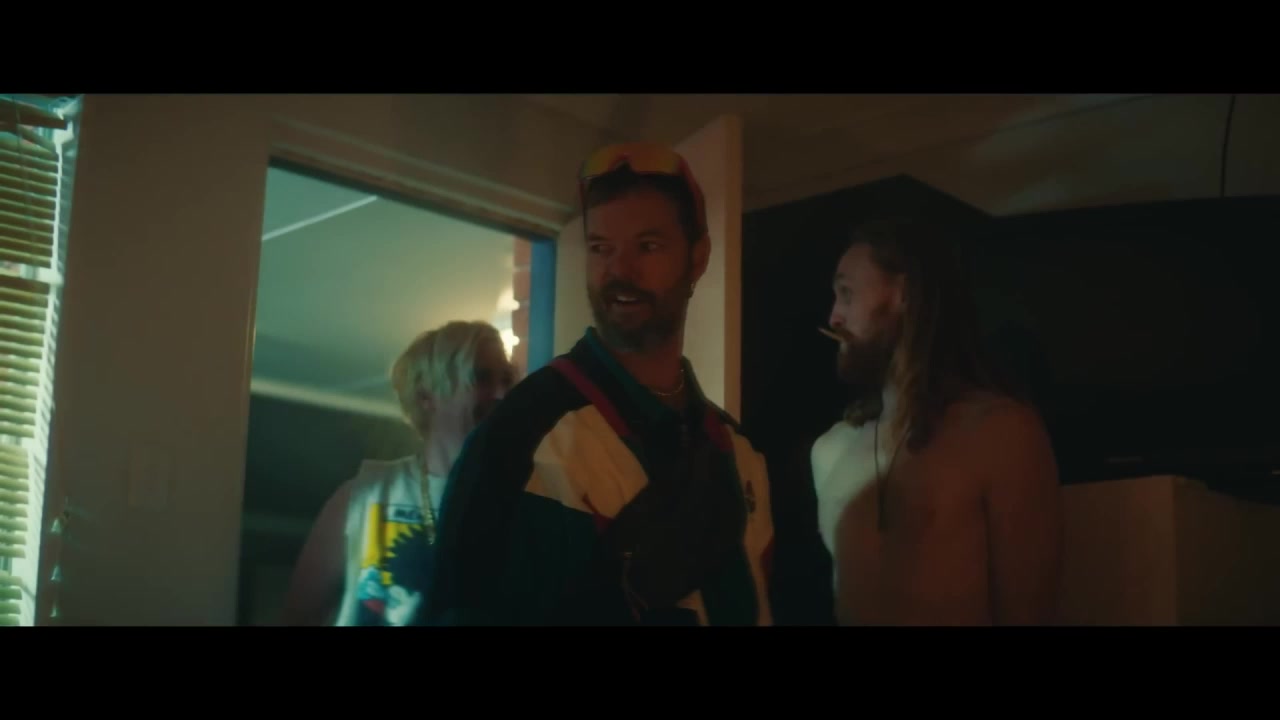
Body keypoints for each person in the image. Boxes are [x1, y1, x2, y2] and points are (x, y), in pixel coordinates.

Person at [422, 142, 774, 626]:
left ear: (698, 258)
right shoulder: (522, 433)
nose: (619, 270)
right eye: (600, 248)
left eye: (647, 246)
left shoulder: (739, 452)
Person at [813, 217, 1063, 625]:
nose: (834, 317)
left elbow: (1029, 613)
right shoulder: (829, 452)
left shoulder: (1001, 434)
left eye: (847, 293)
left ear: (905, 294)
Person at [279, 320, 515, 626]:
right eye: (480, 377)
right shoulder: (367, 495)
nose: (501, 394)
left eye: (506, 380)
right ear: (426, 396)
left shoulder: (526, 499)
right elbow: (298, 617)